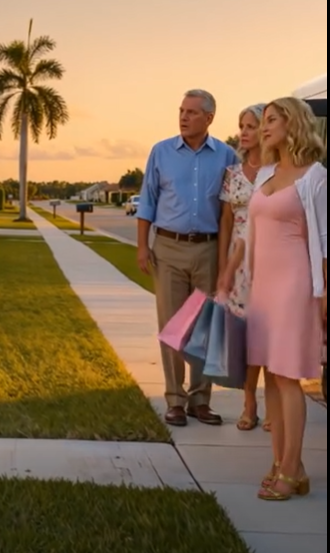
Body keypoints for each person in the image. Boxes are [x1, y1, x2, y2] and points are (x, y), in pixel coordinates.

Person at [136, 89, 238, 427]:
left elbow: (230, 212)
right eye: (181, 110)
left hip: (209, 248)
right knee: (171, 327)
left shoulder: (226, 156)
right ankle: (175, 400)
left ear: (209, 118)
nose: (183, 117)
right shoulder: (161, 152)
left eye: (192, 112)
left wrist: (227, 260)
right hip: (167, 247)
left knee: (205, 326)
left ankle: (200, 400)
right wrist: (141, 246)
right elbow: (147, 201)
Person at [243, 97, 325, 501]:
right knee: (271, 379)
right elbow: (250, 236)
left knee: (290, 376)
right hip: (263, 288)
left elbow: (326, 245)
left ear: (293, 124)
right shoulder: (265, 175)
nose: (264, 127)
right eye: (264, 121)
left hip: (295, 284)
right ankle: (280, 462)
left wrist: (324, 297)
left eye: (272, 120)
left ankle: (292, 469)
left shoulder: (316, 177)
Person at [217, 103, 269, 432]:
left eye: (251, 126)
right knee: (246, 335)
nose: (244, 132)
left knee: (270, 334)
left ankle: (274, 402)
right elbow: (225, 221)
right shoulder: (232, 173)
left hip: (272, 261)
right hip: (238, 267)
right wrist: (223, 263)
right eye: (241, 125)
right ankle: (249, 401)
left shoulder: (280, 172)